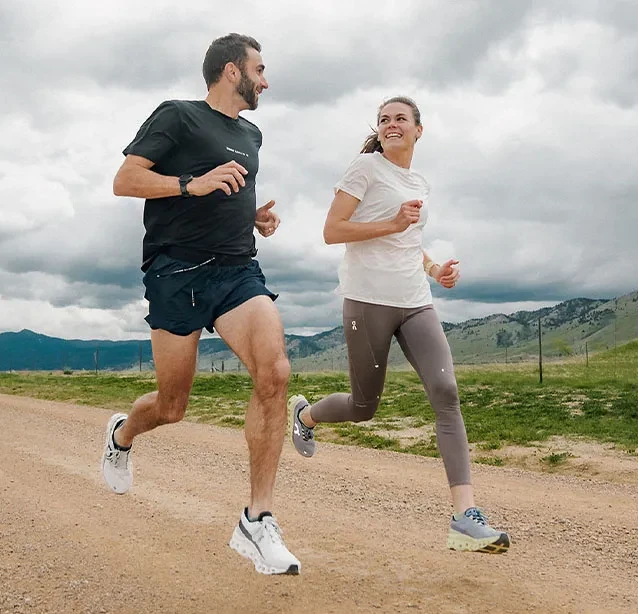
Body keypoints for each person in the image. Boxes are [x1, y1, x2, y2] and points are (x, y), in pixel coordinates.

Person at [101, 33, 301, 575]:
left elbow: (232, 190)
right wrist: (192, 183)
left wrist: (253, 215)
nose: (266, 80)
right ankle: (122, 434)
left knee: (274, 371)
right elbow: (125, 180)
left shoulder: (252, 134)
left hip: (237, 270)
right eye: (260, 69)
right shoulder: (178, 116)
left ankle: (257, 521)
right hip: (177, 272)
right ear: (233, 71)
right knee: (172, 406)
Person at [288, 96, 511, 554]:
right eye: (385, 119)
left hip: (415, 301)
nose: (392, 125)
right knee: (364, 406)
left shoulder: (418, 181)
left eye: (401, 119)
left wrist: (434, 271)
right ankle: (304, 415)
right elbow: (332, 231)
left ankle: (464, 518)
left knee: (446, 394)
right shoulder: (364, 169)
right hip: (368, 301)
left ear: (418, 130)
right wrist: (390, 223)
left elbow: (411, 241)